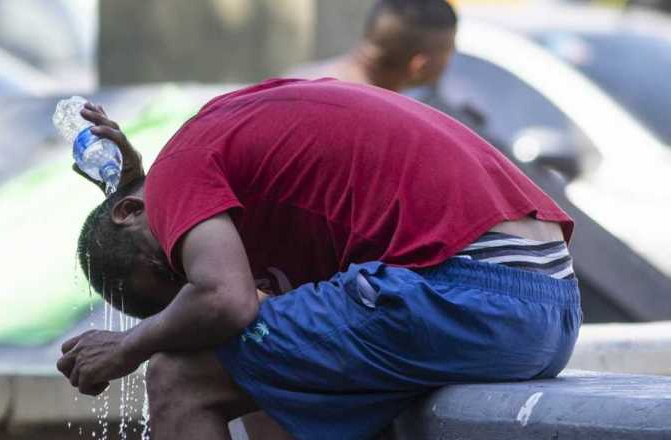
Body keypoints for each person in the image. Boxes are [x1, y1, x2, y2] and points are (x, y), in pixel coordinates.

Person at [57, 78, 581, 439]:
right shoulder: (219, 157)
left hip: (472, 291)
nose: (188, 280)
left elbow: (224, 300)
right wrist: (140, 186)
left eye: (174, 271)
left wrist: (129, 345)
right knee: (263, 363)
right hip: (548, 307)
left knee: (179, 374)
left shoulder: (181, 170)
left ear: (128, 210)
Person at [289, 0, 457, 93]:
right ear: (420, 66)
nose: (453, 56)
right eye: (450, 50)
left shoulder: (295, 80)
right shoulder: (379, 120)